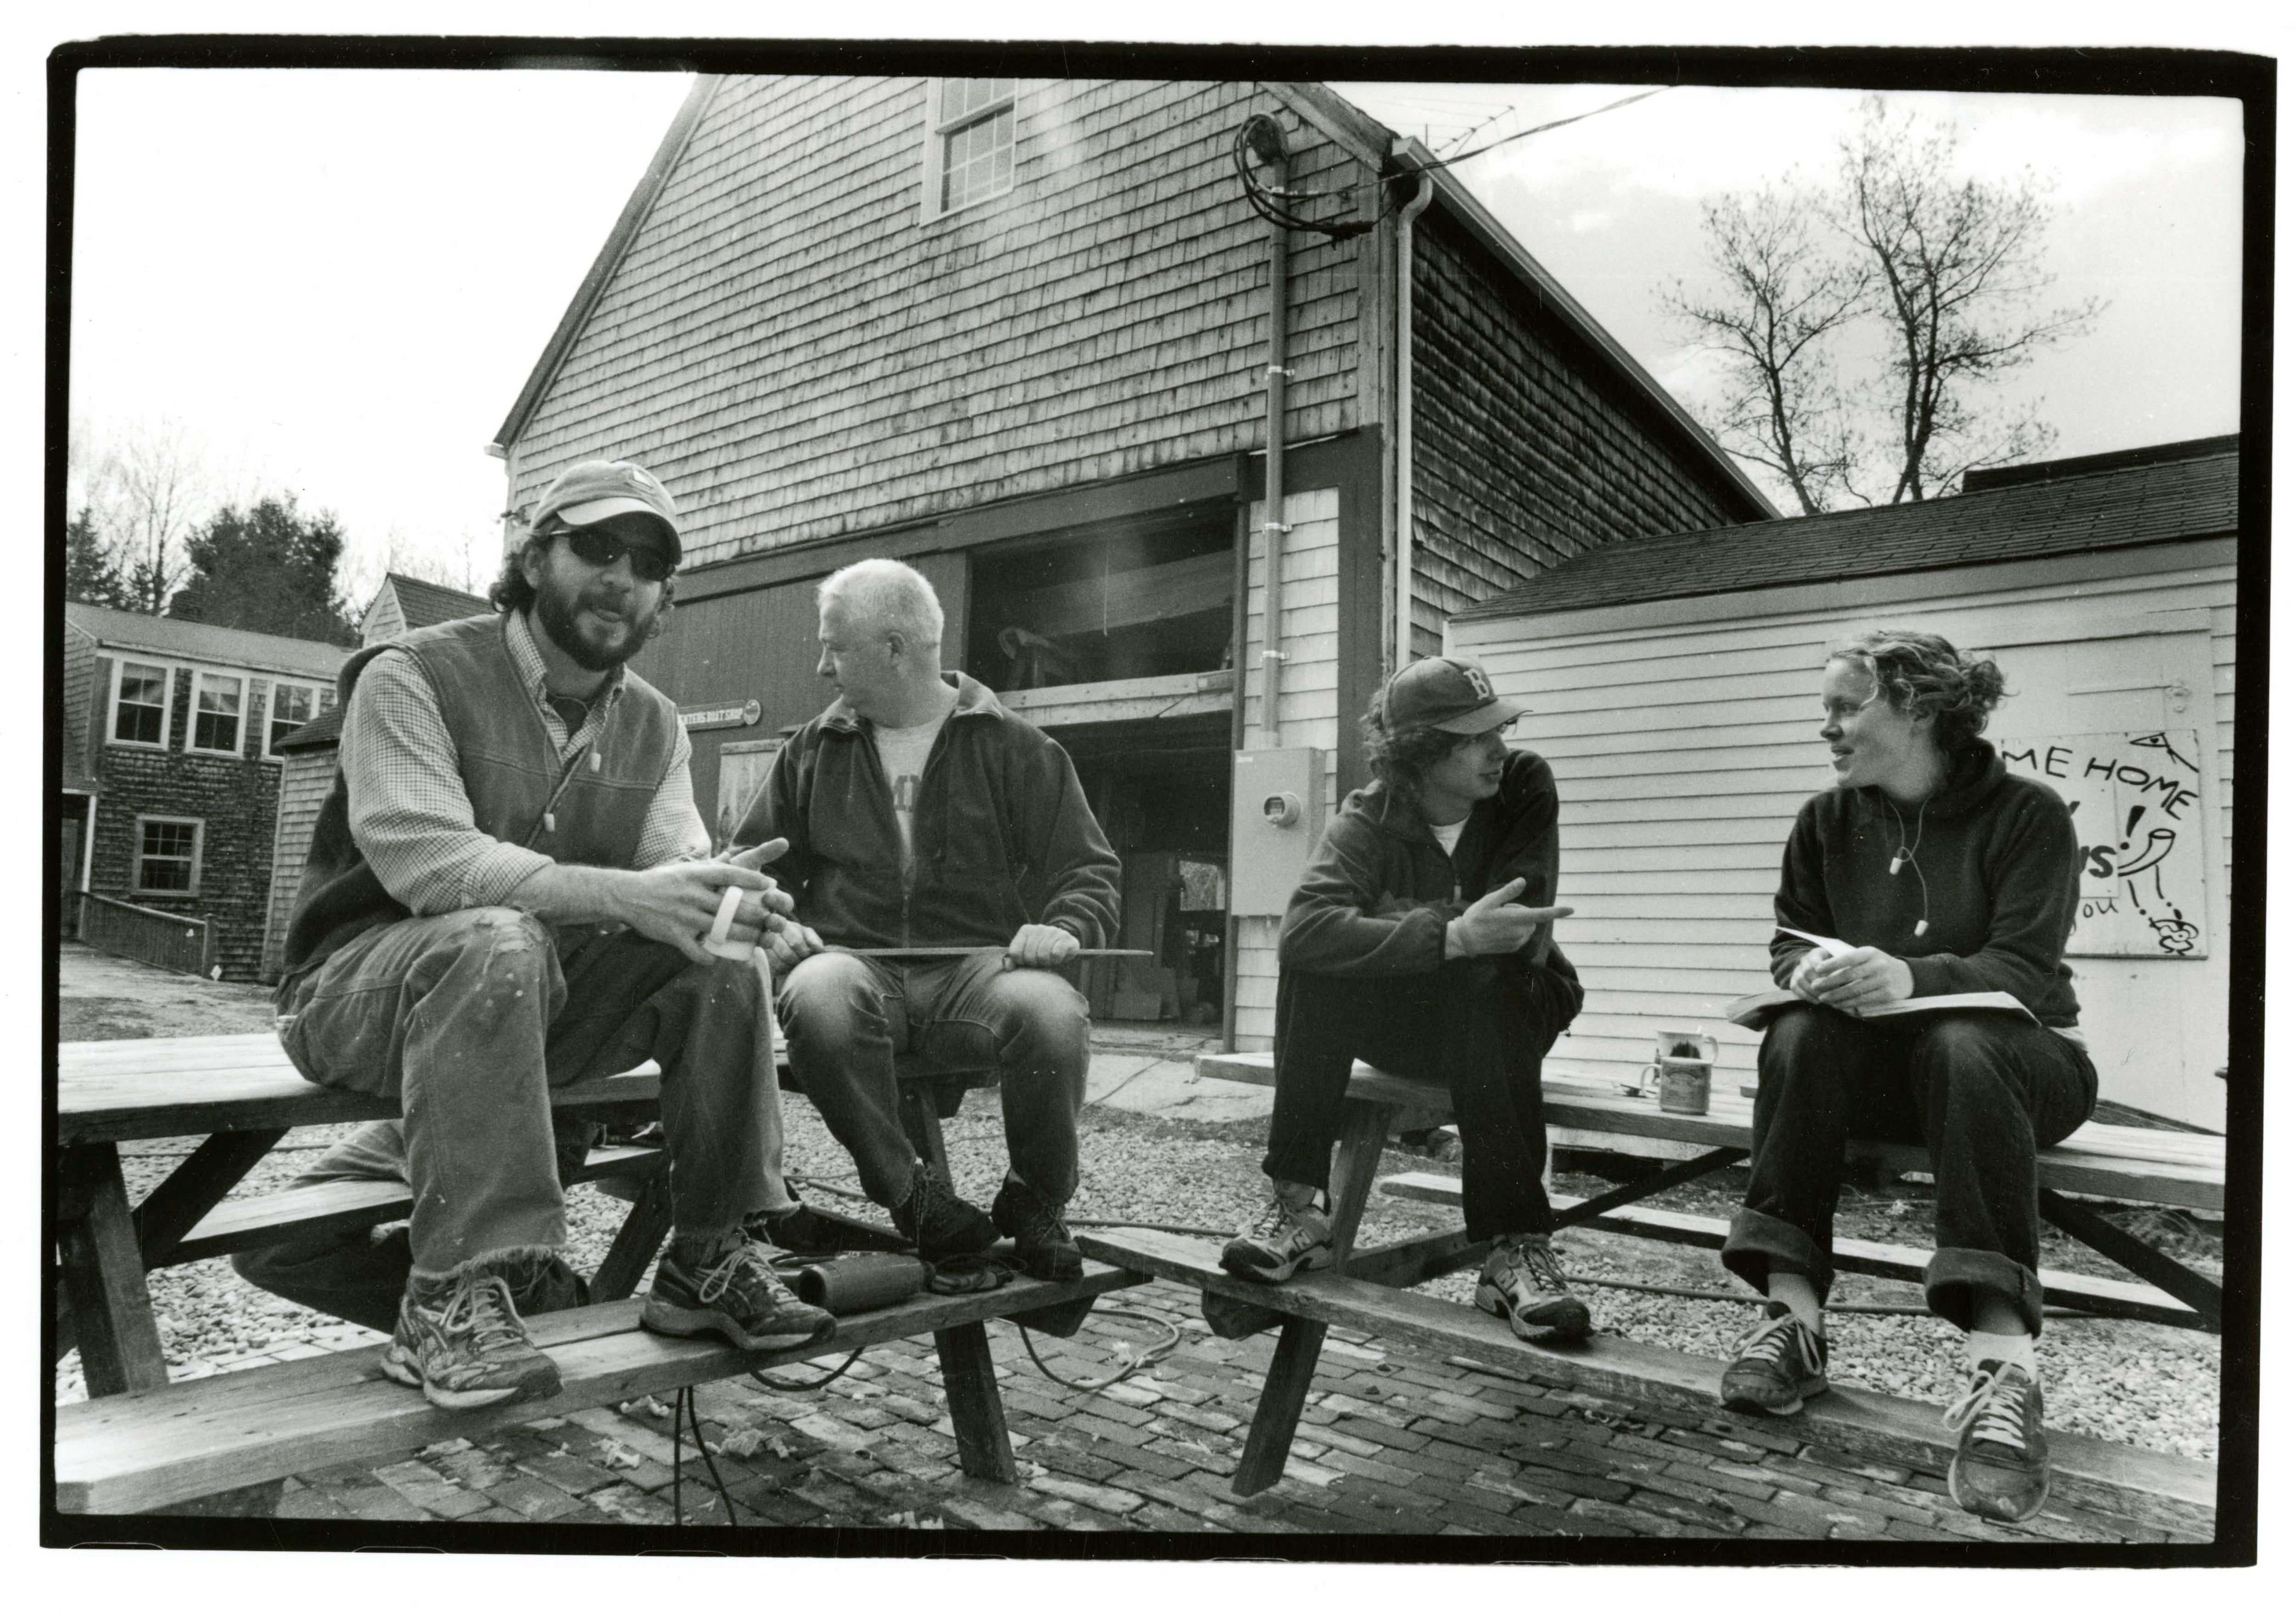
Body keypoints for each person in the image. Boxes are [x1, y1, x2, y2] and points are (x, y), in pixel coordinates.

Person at [239, 459, 836, 1412]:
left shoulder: (657, 725)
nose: (622, 578)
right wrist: (633, 895)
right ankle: (449, 1294)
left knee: (714, 955)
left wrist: (732, 904)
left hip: (530, 1001)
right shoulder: (411, 674)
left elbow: (672, 872)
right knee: (494, 937)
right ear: (531, 556)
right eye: (597, 547)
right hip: (355, 993)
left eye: (649, 563)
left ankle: (709, 1256)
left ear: (665, 594)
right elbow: (431, 862)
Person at [1717, 628, 2096, 1525]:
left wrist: (1910, 978)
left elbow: (2024, 969)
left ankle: (2004, 1369)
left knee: (1964, 1041)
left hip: (2022, 1065)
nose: (1827, 726)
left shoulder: (2028, 814)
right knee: (1798, 1032)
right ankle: (1793, 1324)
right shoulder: (1825, 821)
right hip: (1891, 1072)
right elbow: (1789, 940)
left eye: (1845, 707)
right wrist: (1809, 972)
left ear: (1917, 708)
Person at [738, 558, 1121, 1282]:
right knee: (818, 995)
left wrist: (1066, 925)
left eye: (834, 648)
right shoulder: (812, 749)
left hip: (978, 974)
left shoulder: (1014, 746)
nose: (822, 668)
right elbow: (756, 867)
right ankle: (910, 1195)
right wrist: (772, 921)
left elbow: (1088, 868)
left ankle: (1036, 1200)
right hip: (855, 966)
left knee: (1051, 1011)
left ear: (893, 649)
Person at [1221, 656, 1592, 1344]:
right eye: (1477, 737)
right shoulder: (1368, 818)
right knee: (1314, 970)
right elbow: (1304, 933)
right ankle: (1299, 1207)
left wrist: (1388, 922)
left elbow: (1515, 930)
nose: (1499, 748)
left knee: (1487, 978)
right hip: (1421, 1018)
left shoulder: (1524, 784)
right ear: (1421, 752)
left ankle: (1514, 1250)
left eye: (1500, 730)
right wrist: (1449, 934)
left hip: (1515, 1005)